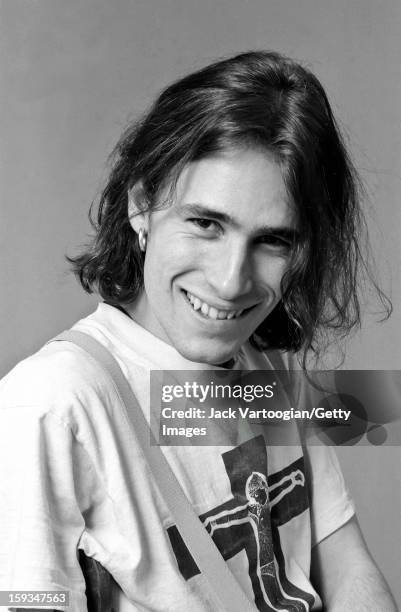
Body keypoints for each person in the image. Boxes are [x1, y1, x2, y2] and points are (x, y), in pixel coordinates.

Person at [0, 51, 396, 611]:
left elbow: (346, 564)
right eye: (206, 223)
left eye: (272, 240)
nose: (232, 282)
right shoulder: (50, 403)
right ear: (142, 206)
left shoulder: (268, 367)